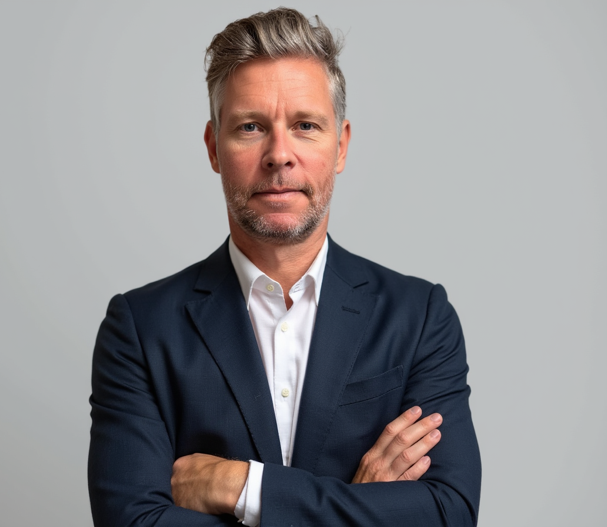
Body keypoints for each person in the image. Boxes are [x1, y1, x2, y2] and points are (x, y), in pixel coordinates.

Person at [88, 7, 481, 527]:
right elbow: (133, 523)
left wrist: (243, 487)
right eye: (250, 127)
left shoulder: (420, 318)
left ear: (340, 146)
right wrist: (359, 507)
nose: (280, 154)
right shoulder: (139, 329)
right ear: (213, 148)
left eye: (305, 126)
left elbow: (448, 513)